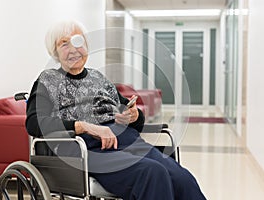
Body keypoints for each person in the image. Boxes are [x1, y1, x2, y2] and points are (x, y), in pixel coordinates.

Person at [26, 19, 206, 200]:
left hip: (126, 140)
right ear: (55, 51)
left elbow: (129, 110)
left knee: (183, 178)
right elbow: (34, 123)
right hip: (85, 148)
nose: (73, 49)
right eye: (64, 43)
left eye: (78, 42)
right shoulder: (48, 80)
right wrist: (86, 127)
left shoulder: (98, 78)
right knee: (152, 173)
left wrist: (134, 116)